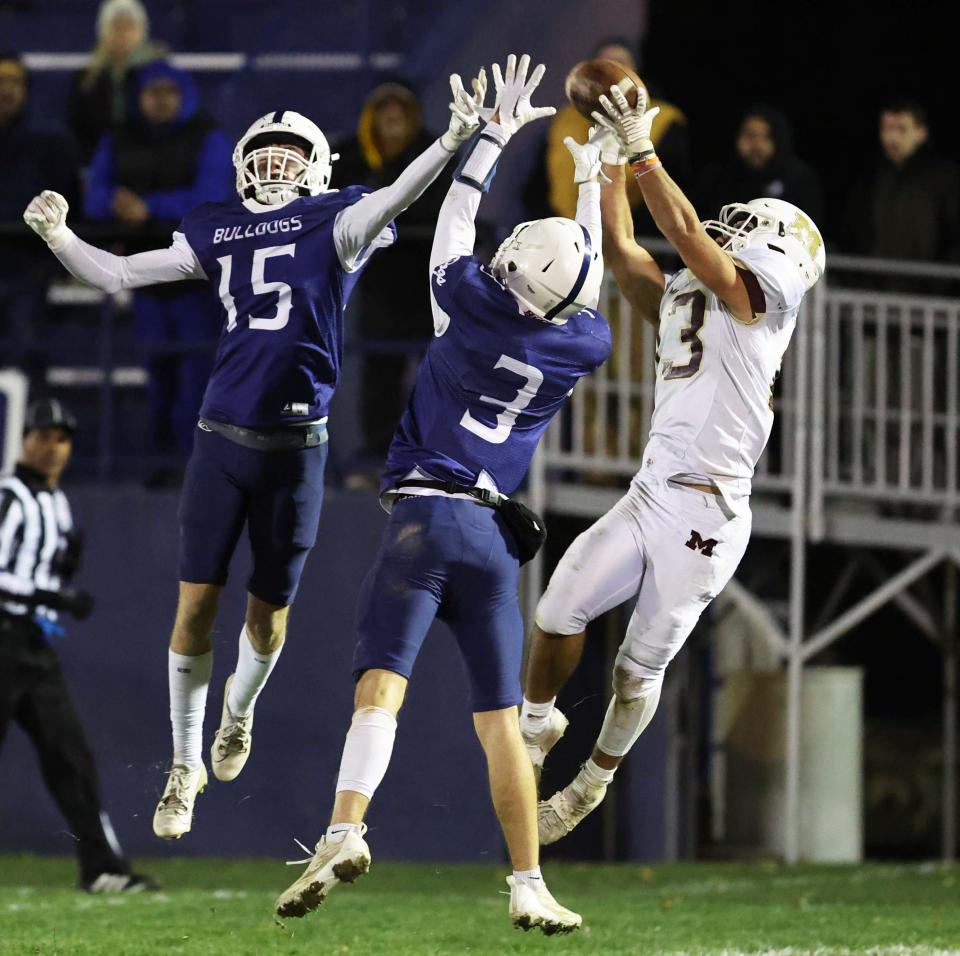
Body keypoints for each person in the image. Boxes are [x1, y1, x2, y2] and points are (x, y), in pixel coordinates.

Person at [24, 79, 484, 841]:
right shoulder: (217, 227)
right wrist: (59, 237)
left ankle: (236, 715)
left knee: (267, 624)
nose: (273, 163)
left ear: (314, 165)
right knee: (195, 608)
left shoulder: (338, 220)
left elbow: (401, 195)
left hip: (297, 450)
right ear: (241, 165)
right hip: (221, 439)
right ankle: (183, 765)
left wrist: (450, 140)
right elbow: (119, 274)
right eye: (262, 152)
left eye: (288, 152)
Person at [275, 55, 611, 934]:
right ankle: (529, 882)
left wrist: (491, 137)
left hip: (425, 520)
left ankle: (345, 827)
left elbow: (453, 229)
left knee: (380, 689)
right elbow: (589, 276)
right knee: (501, 723)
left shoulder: (470, 307)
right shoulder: (582, 344)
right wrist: (589, 178)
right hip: (496, 545)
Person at [519, 85, 825, 844]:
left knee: (633, 671)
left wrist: (641, 148)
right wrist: (603, 172)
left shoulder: (762, 306)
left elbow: (687, 233)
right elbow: (627, 262)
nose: (732, 232)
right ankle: (533, 729)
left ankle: (593, 782)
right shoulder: (702, 294)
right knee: (558, 605)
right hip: (652, 492)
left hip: (709, 515)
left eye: (748, 227)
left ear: (780, 249)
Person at [0, 399, 154, 893]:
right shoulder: (10, 496)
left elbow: (50, 569)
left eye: (61, 438)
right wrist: (50, 594)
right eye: (43, 435)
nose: (51, 447)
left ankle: (103, 869)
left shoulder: (57, 502)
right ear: (25, 439)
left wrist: (56, 586)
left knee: (72, 758)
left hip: (34, 648)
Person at [84, 59, 234, 476]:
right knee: (157, 373)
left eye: (170, 92)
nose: (161, 101)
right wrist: (114, 205)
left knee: (195, 374)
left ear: (185, 97)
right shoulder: (120, 136)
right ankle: (160, 463)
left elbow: (212, 195)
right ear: (140, 97)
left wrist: (148, 208)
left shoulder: (208, 136)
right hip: (145, 273)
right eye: (154, 92)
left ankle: (194, 464)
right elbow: (95, 192)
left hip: (196, 277)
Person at [334, 81, 448, 485]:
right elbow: (341, 206)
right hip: (376, 283)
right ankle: (376, 457)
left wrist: (384, 225)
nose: (392, 120)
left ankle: (430, 457)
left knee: (432, 372)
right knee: (379, 373)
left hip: (423, 282)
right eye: (384, 111)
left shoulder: (438, 151)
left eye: (400, 111)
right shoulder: (350, 154)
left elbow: (443, 211)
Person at [537, 37, 691, 232]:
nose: (610, 73)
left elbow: (672, 189)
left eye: (620, 65)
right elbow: (540, 185)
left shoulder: (664, 119)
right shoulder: (566, 118)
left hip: (637, 234)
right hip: (566, 232)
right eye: (602, 67)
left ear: (636, 72)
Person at [0, 54, 80, 386]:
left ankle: (28, 435)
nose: (6, 89)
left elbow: (69, 200)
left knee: (27, 360)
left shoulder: (51, 141)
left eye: (13, 81)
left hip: (28, 269)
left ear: (26, 89)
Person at [843, 98, 960, 264]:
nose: (893, 138)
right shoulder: (871, 179)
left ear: (921, 133)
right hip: (874, 284)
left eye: (902, 129)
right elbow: (854, 234)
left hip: (927, 284)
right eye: (887, 129)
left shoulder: (946, 179)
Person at [69, 0, 165, 164]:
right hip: (98, 163)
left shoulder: (159, 78)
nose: (123, 34)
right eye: (116, 27)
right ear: (103, 32)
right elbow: (79, 132)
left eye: (129, 27)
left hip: (148, 165)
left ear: (141, 31)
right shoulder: (86, 80)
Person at [697, 105, 823, 230]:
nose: (756, 144)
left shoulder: (799, 178)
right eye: (749, 136)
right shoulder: (716, 175)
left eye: (766, 136)